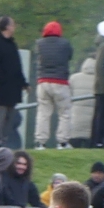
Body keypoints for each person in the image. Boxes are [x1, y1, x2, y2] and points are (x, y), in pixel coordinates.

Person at [30, 21, 72, 149]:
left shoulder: (39, 43)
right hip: (60, 82)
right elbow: (69, 56)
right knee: (64, 113)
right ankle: (62, 142)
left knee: (43, 113)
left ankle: (40, 142)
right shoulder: (65, 44)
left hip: (43, 82)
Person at [0, 16, 25, 147]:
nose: (14, 27)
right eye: (12, 24)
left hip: (13, 86)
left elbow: (17, 66)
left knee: (11, 114)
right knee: (0, 114)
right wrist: (2, 78)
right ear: (6, 27)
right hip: (1, 86)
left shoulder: (12, 45)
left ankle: (4, 139)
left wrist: (23, 82)